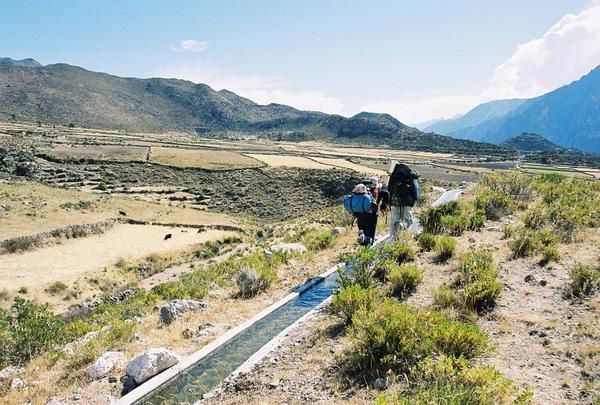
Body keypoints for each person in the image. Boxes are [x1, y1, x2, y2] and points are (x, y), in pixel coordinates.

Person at [387, 161, 419, 241]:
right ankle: (405, 238)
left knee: (394, 220)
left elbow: (389, 188)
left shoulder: (394, 176)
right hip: (406, 202)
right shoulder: (410, 176)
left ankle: (393, 237)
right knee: (406, 220)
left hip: (394, 201)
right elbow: (415, 190)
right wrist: (414, 200)